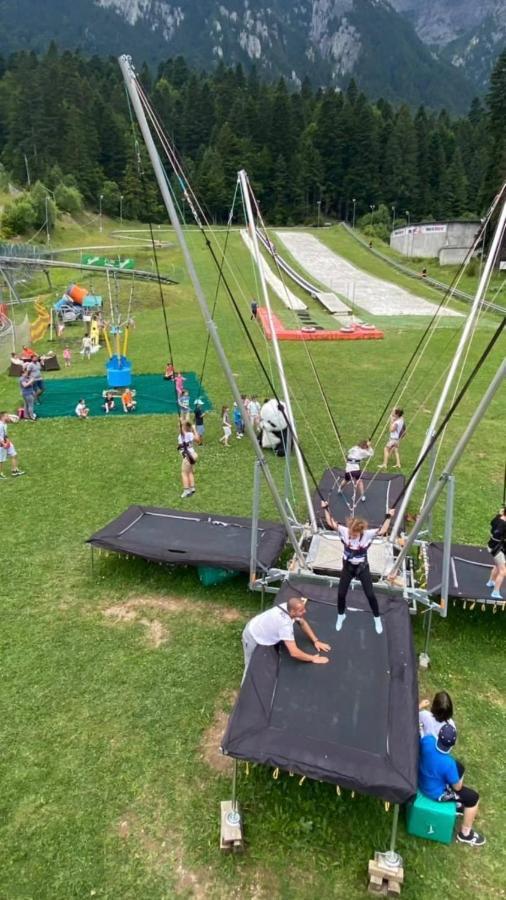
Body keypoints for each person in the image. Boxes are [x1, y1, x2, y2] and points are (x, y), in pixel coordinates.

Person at [321, 502, 395, 634]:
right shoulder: (344, 531)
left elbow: (383, 530)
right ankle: (341, 615)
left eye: (355, 534)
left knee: (370, 594)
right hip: (348, 567)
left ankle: (376, 617)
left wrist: (389, 517)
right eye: (351, 533)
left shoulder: (367, 534)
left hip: (362, 568)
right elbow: (330, 522)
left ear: (361, 531)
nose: (352, 536)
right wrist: (325, 508)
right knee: (341, 594)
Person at [418, 722, 485, 846]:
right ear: (452, 744)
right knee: (473, 798)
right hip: (435, 793)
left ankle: (458, 804)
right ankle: (465, 834)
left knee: (460, 767)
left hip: (421, 780)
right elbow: (457, 787)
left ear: (438, 735)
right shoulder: (449, 764)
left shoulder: (427, 740)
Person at [242, 595, 331, 674]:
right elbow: (294, 652)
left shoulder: (287, 606)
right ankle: (245, 688)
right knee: (249, 665)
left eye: (304, 608)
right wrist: (313, 658)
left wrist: (316, 641)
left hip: (259, 624)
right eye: (301, 610)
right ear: (292, 612)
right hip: (252, 634)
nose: (305, 611)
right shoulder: (285, 625)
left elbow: (302, 623)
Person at [486, 506, 506, 600]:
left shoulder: (498, 517)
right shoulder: (503, 524)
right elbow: (498, 533)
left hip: (492, 546)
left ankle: (491, 582)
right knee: (503, 571)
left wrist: (500, 513)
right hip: (496, 548)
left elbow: (492, 523)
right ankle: (495, 592)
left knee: (497, 565)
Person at [178, 421, 200, 498]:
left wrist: (181, 420)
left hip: (188, 457)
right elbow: (198, 440)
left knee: (184, 473)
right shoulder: (190, 434)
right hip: (193, 455)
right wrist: (194, 429)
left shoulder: (183, 435)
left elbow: (181, 428)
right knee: (190, 472)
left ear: (184, 427)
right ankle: (192, 488)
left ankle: (186, 490)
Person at [0, 412, 25, 478]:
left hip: (6, 442)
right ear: (3, 417)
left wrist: (8, 442)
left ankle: (14, 471)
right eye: (7, 416)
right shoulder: (0, 425)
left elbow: (5, 434)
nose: (8, 416)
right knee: (1, 460)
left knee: (14, 454)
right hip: (1, 444)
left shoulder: (4, 424)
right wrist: (4, 444)